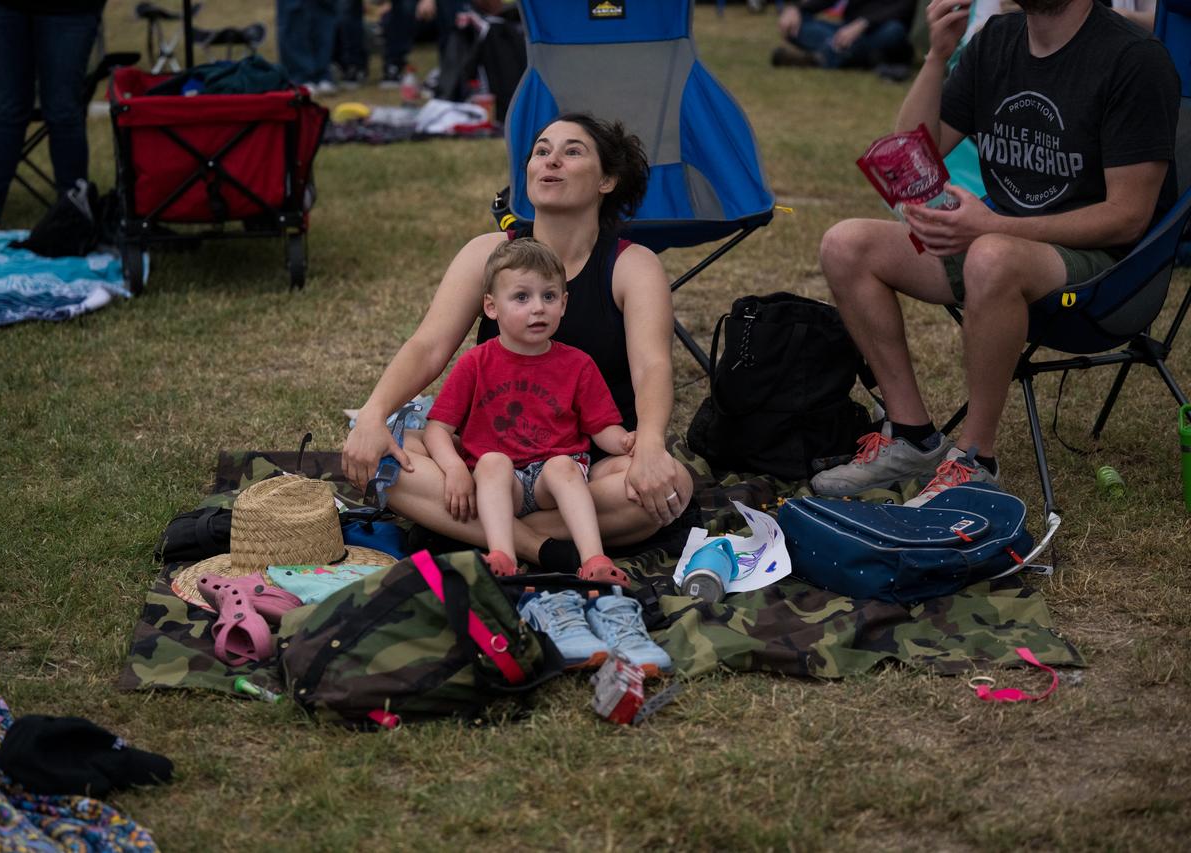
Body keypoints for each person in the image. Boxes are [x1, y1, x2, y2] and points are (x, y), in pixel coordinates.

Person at [812, 0, 1179, 505]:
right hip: (999, 241)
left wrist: (993, 226)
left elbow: (1129, 216)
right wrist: (937, 56)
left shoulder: (1133, 58)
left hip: (1106, 271)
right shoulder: (996, 39)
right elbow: (916, 148)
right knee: (846, 244)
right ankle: (913, 436)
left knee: (990, 254)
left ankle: (975, 460)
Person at [341, 113, 694, 574]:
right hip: (487, 459)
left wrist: (649, 445)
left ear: (608, 179)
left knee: (671, 488)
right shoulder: (488, 253)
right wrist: (371, 415)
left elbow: (651, 366)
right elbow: (428, 346)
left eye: (572, 151)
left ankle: (473, 526)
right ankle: (540, 547)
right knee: (376, 454)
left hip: (585, 462)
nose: (551, 161)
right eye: (542, 151)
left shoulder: (631, 265)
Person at [424, 238, 636, 583]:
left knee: (563, 467)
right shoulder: (475, 363)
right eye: (522, 297)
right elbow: (437, 428)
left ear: (564, 303)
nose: (538, 308)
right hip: (502, 483)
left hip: (552, 483)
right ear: (491, 307)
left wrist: (627, 441)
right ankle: (503, 558)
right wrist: (454, 470)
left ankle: (594, 560)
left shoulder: (578, 364)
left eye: (549, 296)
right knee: (493, 461)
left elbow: (602, 429)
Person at [0, 0, 103, 231]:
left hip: (72, 10)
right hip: (0, 6)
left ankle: (74, 215)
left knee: (63, 112)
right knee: (7, 112)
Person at [772, 0, 916, 73]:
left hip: (877, 31)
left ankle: (821, 58)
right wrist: (797, 9)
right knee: (796, 24)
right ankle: (840, 54)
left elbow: (903, 9)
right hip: (846, 31)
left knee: (894, 31)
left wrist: (864, 23)